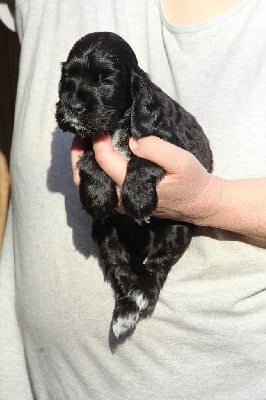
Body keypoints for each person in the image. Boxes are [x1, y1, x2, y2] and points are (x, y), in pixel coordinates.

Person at [1, 1, 266, 399]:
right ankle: (128, 286)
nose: (75, 98)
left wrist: (209, 201)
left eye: (101, 82)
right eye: (69, 82)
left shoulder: (150, 107)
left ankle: (148, 279)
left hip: (212, 379)